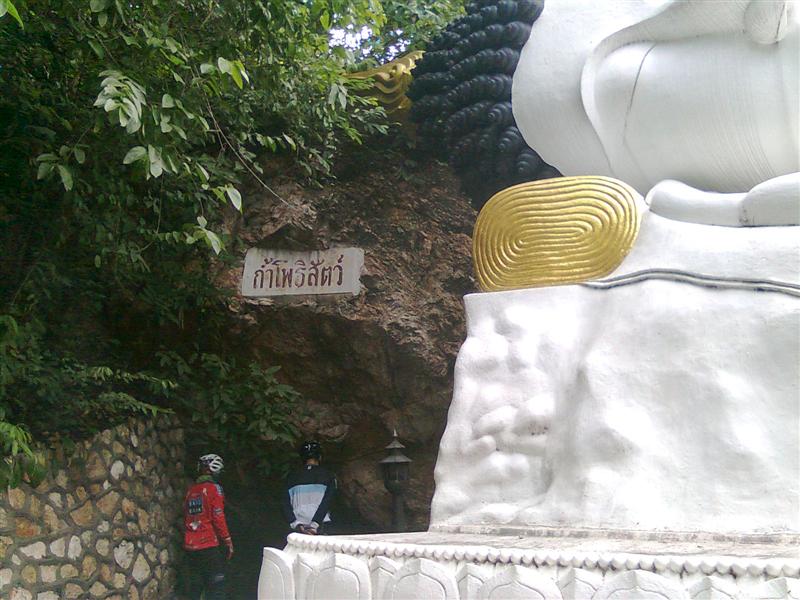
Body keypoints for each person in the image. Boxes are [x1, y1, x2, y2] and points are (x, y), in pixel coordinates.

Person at [182, 453, 233, 600]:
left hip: (190, 545)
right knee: (217, 585)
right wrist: (227, 540)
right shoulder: (214, 489)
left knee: (196, 585)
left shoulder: (191, 491)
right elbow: (218, 516)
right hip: (209, 543)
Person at [283, 440, 337, 535]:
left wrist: (295, 523)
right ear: (320, 457)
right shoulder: (328, 475)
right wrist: (315, 524)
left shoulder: (291, 476)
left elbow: (285, 503)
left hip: (298, 526)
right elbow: (328, 501)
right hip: (321, 525)